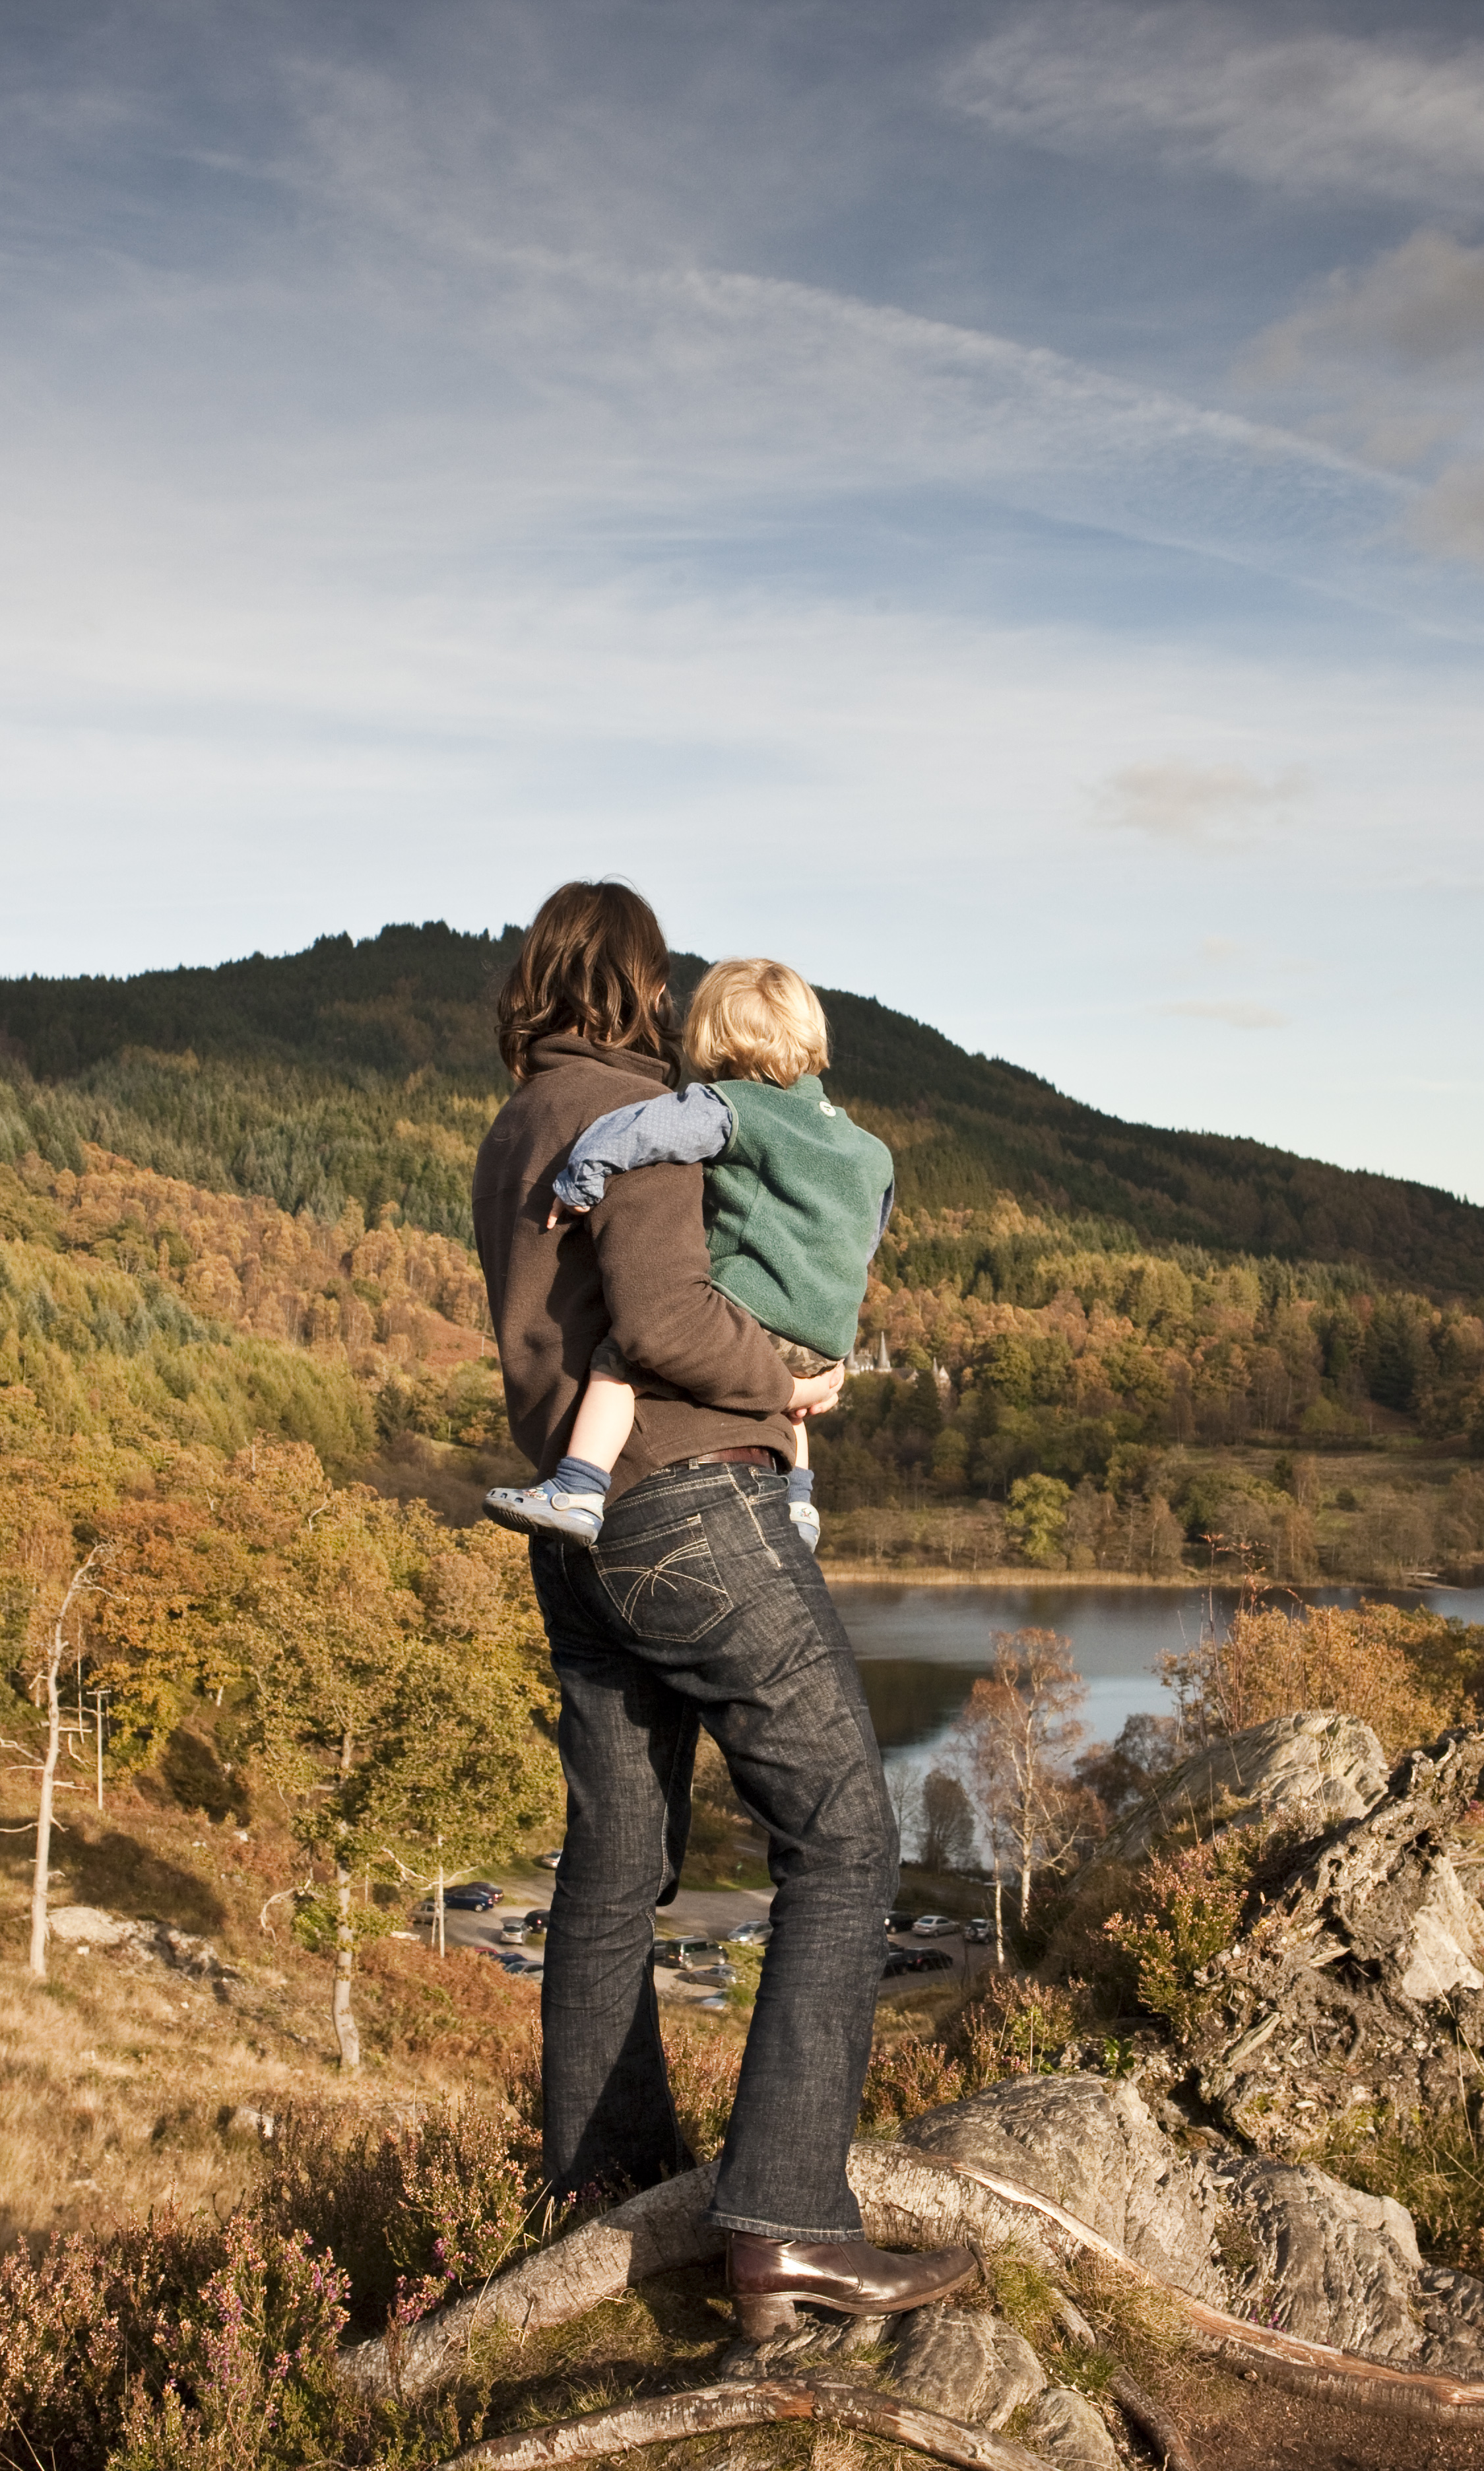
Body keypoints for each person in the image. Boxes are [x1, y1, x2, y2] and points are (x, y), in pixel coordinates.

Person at [472, 882, 974, 2338]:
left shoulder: (520, 1119)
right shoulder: (637, 1110)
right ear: (639, 985)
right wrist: (795, 1383)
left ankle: (602, 2203)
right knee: (847, 1837)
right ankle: (790, 2227)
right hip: (694, 1506)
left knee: (616, 1872)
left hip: (583, 1532)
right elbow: (668, 1322)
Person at [483, 955, 893, 1554]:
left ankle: (577, 1489)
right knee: (796, 1404)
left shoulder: (730, 1107)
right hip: (828, 1340)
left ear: (712, 1037)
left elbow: (641, 1132)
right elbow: (866, 1236)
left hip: (754, 1317)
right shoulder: (870, 1149)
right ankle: (799, 1503)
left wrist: (582, 1180)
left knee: (619, 1362)